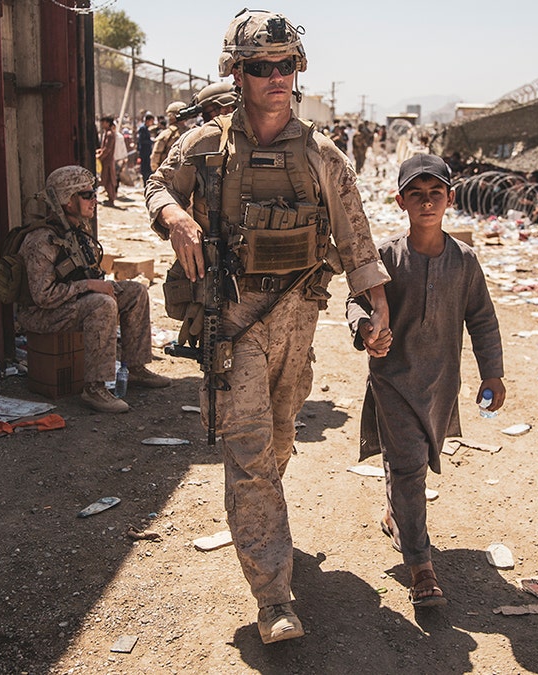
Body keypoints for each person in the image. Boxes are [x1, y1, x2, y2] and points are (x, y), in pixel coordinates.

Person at [145, 8, 391, 645]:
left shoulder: (322, 157)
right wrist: (175, 217)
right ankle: (273, 594)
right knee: (250, 452)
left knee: (281, 439)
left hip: (298, 318)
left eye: (285, 65)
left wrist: (376, 310)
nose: (275, 77)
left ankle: (266, 527)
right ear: (239, 72)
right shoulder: (204, 147)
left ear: (298, 70)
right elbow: (154, 185)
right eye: (260, 67)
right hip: (231, 320)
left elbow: (357, 242)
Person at [347, 154, 504, 608]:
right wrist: (365, 329)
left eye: (436, 193)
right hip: (393, 381)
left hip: (439, 386)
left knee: (408, 461)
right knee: (411, 464)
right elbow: (356, 302)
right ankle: (421, 566)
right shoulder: (387, 258)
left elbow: (483, 320)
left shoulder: (464, 261)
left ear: (450, 199)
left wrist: (492, 372)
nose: (427, 202)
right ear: (401, 201)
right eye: (416, 194)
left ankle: (396, 514)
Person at [16, 166, 171, 413]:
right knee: (102, 303)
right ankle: (95, 389)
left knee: (135, 292)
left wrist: (97, 284)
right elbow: (43, 297)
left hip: (68, 304)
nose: (94, 200)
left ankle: (136, 368)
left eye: (94, 193)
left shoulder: (77, 231)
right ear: (67, 201)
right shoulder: (42, 241)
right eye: (87, 195)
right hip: (40, 315)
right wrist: (89, 286)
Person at [149, 101, 187, 173]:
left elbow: (155, 157)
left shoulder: (166, 134)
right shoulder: (192, 132)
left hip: (169, 175)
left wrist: (156, 171)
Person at [97, 116, 119, 205]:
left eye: (103, 122)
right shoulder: (107, 133)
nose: (102, 125)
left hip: (108, 161)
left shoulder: (110, 134)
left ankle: (111, 199)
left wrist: (99, 157)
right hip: (106, 161)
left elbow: (107, 149)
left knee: (109, 180)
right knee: (106, 180)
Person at [137, 112, 155, 183]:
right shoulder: (143, 128)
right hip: (144, 152)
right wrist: (151, 141)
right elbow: (142, 140)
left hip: (147, 151)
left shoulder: (146, 128)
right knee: (145, 168)